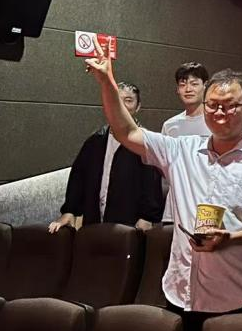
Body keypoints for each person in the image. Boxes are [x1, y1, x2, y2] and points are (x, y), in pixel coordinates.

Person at [82, 49, 242, 331]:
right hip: (180, 294)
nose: (220, 113)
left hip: (238, 299)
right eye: (213, 105)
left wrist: (231, 238)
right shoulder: (181, 150)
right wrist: (106, 82)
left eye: (230, 106)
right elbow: (126, 131)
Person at [50, 82, 163, 233]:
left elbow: (153, 184)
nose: (122, 106)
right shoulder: (95, 141)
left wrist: (147, 217)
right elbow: (78, 177)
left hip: (131, 227)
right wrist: (69, 211)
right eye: (117, 100)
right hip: (94, 223)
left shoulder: (146, 142)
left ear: (138, 107)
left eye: (128, 100)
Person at [161, 62, 211, 137]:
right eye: (182, 85)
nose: (188, 89)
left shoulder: (217, 122)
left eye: (194, 84)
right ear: (177, 89)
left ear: (205, 86)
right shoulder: (169, 125)